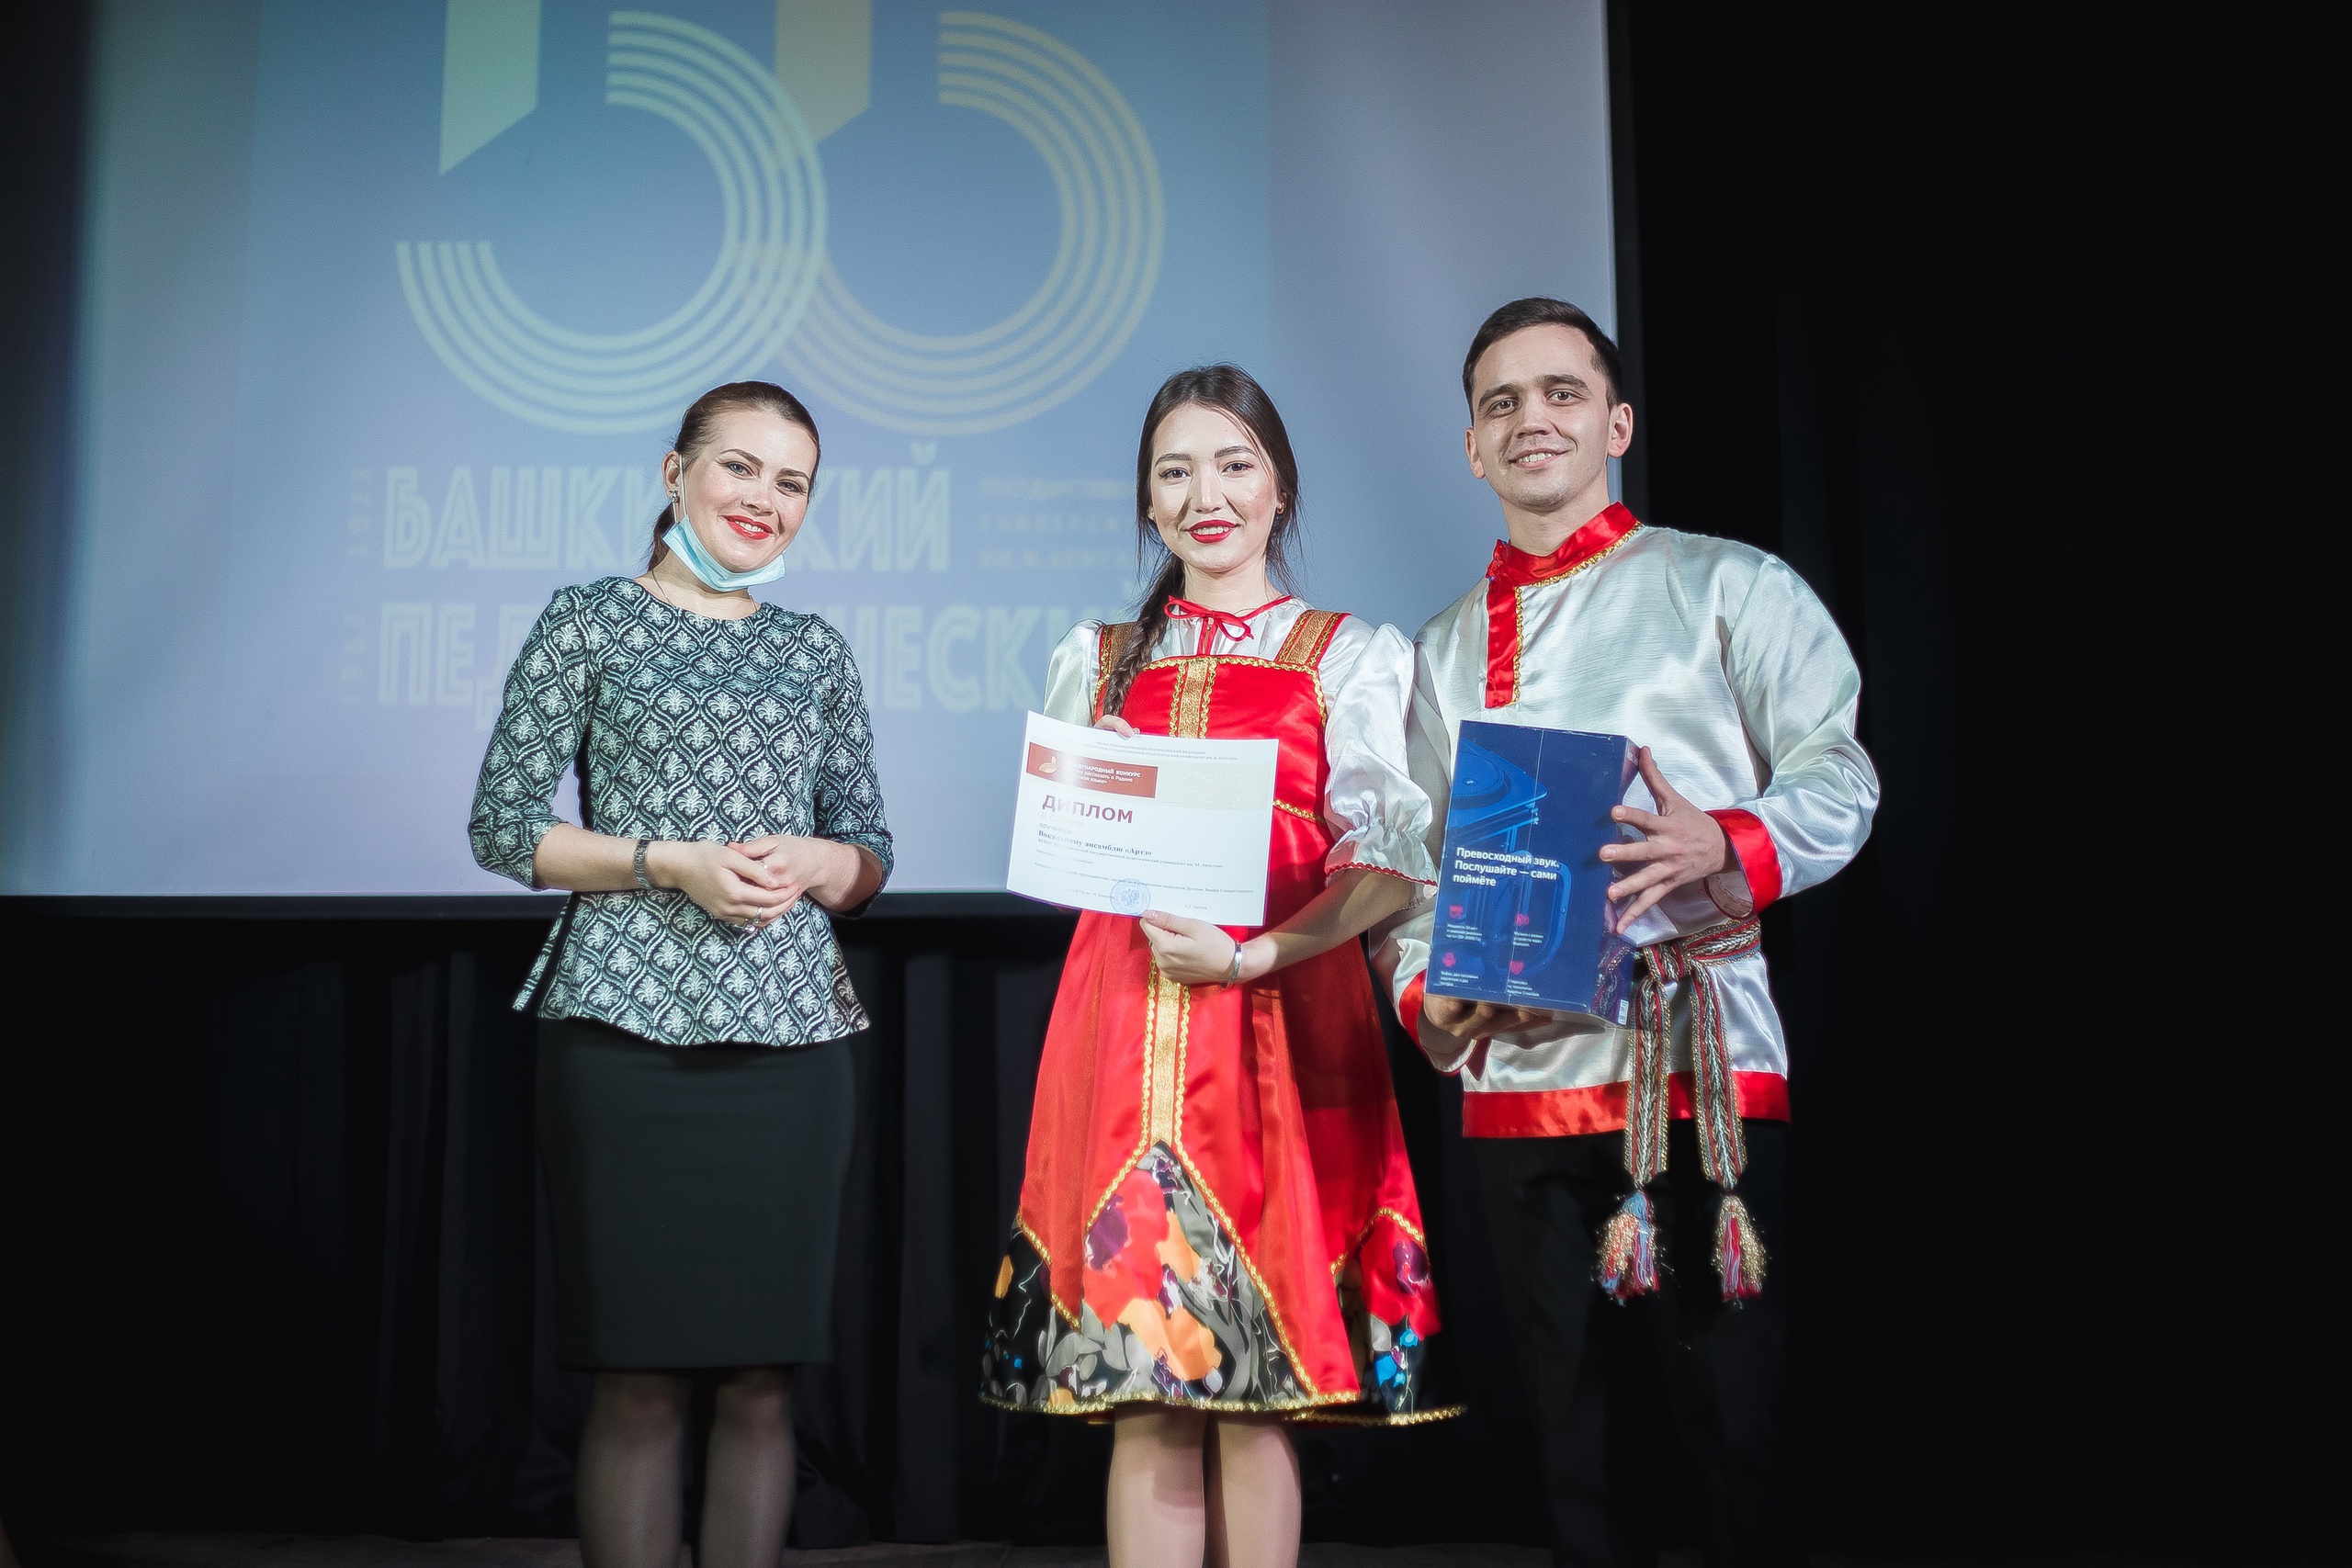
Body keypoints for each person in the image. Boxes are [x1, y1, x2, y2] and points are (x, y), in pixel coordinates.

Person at [1374, 299, 1880, 1567]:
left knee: (1732, 1409)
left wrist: (1730, 841)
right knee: (1571, 1430)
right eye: (1500, 403)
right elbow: (1414, 872)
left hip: (1697, 1044)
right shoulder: (1437, 652)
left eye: (1562, 392)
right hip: (1523, 1069)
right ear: (1472, 448)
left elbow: (1841, 775)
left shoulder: (1727, 585)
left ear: (1618, 423)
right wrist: (1431, 997)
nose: (1531, 419)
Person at [980, 366, 1456, 1568]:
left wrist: (1254, 955)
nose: (1208, 495)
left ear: (1279, 485)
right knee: (1146, 1389)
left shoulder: (1345, 654)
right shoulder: (1095, 658)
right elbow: (1061, 860)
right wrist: (1106, 803)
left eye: (1235, 464)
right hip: (1122, 1032)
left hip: (1279, 1034)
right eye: (1176, 471)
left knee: (1257, 1393)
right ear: (1147, 500)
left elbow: (1389, 865)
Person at [469, 381, 891, 1568]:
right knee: (639, 1380)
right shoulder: (588, 620)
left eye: (792, 482)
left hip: (792, 1044)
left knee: (763, 1383)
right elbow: (503, 829)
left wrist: (822, 860)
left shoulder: (813, 649)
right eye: (740, 467)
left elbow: (869, 852)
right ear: (675, 473)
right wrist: (667, 863)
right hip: (621, 1037)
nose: (765, 499)